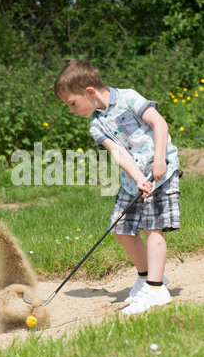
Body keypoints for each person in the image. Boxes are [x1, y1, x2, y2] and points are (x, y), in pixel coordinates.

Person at [54, 59, 181, 315]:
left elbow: (160, 124)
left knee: (152, 228)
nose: (71, 110)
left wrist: (158, 160)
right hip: (133, 182)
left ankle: (157, 291)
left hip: (161, 172)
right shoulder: (95, 125)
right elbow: (119, 152)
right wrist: (138, 179)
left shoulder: (129, 98)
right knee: (121, 229)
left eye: (72, 103)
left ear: (89, 92)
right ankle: (147, 278)